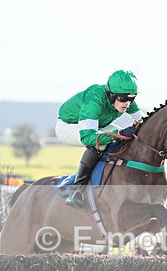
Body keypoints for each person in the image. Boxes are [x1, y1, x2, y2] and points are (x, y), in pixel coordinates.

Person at [54, 69, 144, 208]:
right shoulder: (93, 100)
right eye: (123, 98)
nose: (127, 103)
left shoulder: (125, 99)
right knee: (100, 143)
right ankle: (77, 190)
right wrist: (119, 133)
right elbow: (88, 137)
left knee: (124, 138)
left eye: (132, 98)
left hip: (97, 125)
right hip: (69, 126)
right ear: (111, 94)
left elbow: (144, 121)